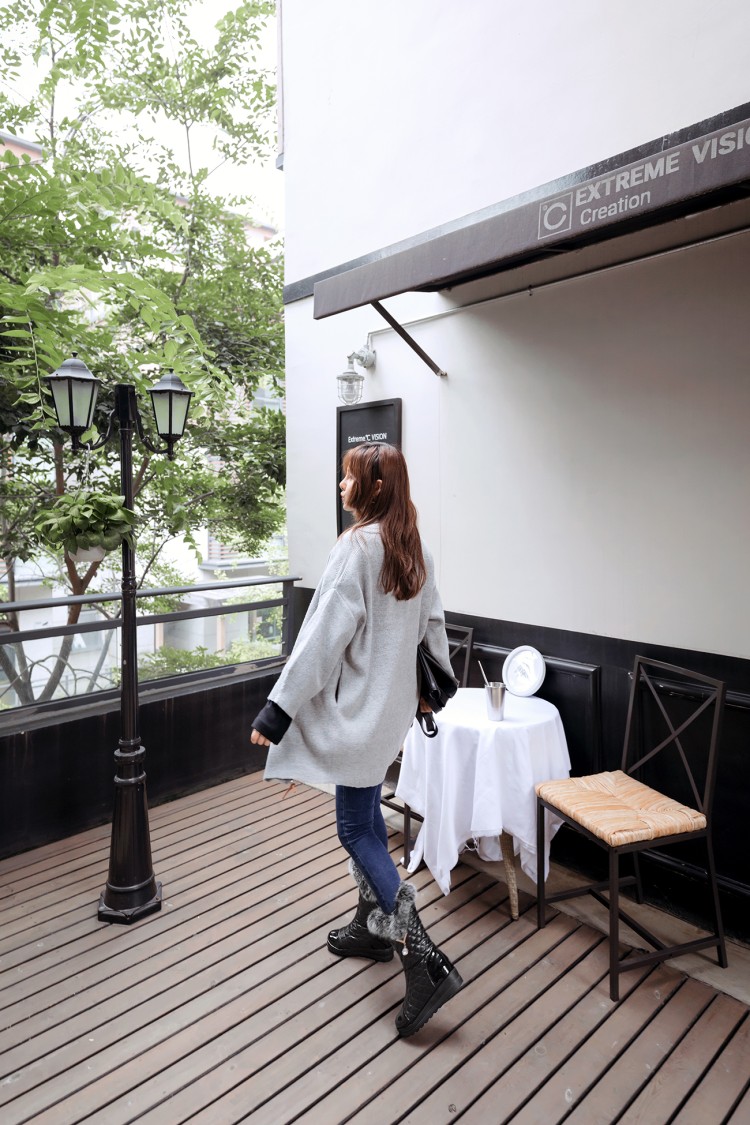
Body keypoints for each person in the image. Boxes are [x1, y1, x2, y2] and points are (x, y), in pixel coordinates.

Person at [250, 441, 463, 1038]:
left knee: (354, 828)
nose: (341, 487)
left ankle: (423, 958)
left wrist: (278, 709)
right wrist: (435, 690)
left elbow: (321, 639)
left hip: (357, 714)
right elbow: (435, 625)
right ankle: (372, 926)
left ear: (374, 486)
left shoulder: (357, 547)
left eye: (348, 478)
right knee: (367, 817)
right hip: (390, 716)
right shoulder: (412, 547)